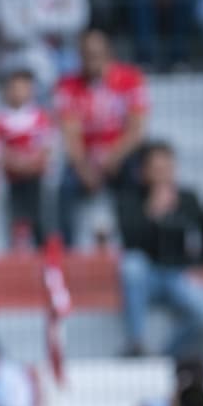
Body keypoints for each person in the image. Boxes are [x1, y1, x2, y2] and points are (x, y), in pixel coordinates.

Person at [115, 140, 203, 358]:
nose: (163, 175)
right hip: (148, 275)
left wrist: (200, 266)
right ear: (144, 172)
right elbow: (129, 241)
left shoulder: (188, 199)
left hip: (180, 275)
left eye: (168, 168)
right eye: (157, 169)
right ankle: (136, 342)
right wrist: (151, 212)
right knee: (131, 265)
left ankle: (165, 354)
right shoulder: (130, 199)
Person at [55, 28, 149, 246]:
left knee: (134, 180)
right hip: (86, 158)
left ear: (109, 53)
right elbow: (70, 134)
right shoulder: (68, 85)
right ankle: (66, 249)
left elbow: (136, 130)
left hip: (120, 154)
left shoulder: (131, 79)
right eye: (87, 54)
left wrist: (112, 158)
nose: (92, 60)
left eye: (97, 54)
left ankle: (134, 243)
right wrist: (84, 168)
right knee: (65, 186)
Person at [0, 67, 53, 247]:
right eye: (14, 88)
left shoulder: (40, 116)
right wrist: (17, 163)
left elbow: (46, 147)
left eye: (23, 87)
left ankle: (43, 241)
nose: (18, 92)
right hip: (11, 179)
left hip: (36, 177)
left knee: (40, 208)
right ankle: (18, 241)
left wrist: (29, 164)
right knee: (15, 213)